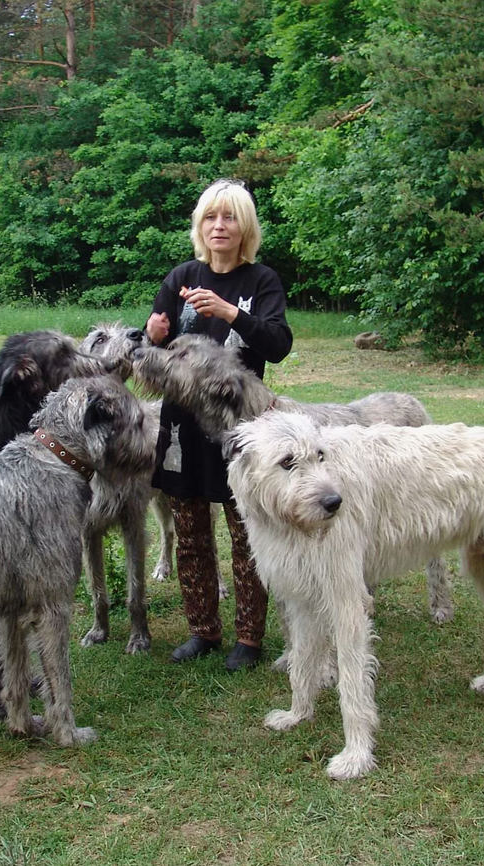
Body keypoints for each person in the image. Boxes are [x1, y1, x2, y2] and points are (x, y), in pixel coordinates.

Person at [146, 179, 293, 671]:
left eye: (229, 217)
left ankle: (249, 639)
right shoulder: (182, 275)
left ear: (244, 226)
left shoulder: (262, 282)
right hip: (183, 427)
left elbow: (277, 345)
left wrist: (231, 313)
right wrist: (154, 332)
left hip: (242, 428)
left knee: (248, 531)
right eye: (210, 217)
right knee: (189, 532)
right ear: (200, 226)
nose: (219, 226)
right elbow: (157, 350)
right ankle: (202, 631)